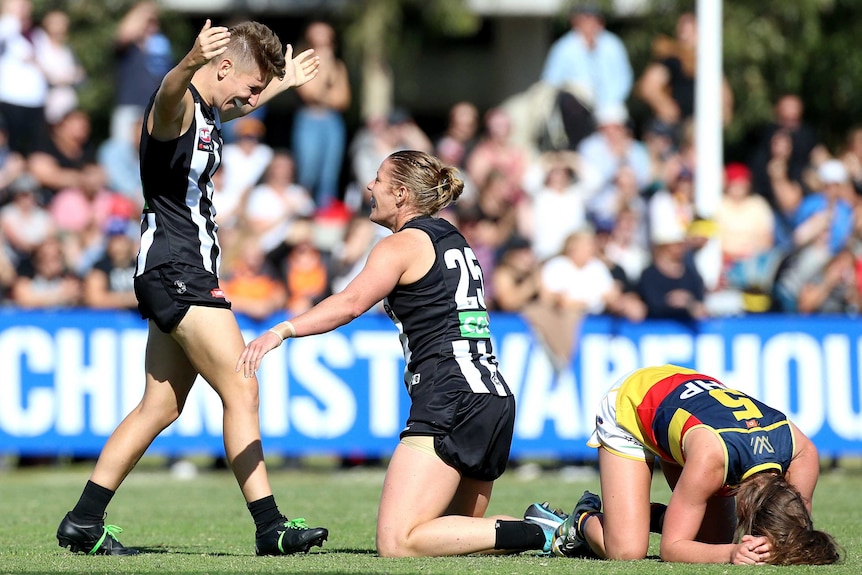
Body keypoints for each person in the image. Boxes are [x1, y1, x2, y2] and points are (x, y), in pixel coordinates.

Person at [55, 19, 328, 556]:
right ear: (221, 67)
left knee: (159, 407)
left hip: (174, 270)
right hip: (177, 269)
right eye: (250, 85)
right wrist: (186, 60)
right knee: (242, 385)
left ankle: (83, 520)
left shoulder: (208, 110)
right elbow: (169, 93)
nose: (252, 99)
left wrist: (281, 82)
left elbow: (232, 101)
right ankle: (270, 526)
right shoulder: (176, 108)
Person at [238, 150, 562, 557]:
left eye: (378, 179)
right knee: (455, 538)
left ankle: (542, 532)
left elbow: (350, 303)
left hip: (451, 396)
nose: (369, 187)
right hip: (492, 399)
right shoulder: (453, 238)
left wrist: (281, 331)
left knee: (399, 542)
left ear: (402, 193)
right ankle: (558, 528)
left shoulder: (403, 244)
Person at [549, 364, 842, 565]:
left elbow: (798, 527)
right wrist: (730, 554)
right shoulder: (711, 461)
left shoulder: (802, 454)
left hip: (686, 399)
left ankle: (634, 514)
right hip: (633, 403)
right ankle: (583, 519)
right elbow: (671, 548)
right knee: (626, 549)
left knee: (712, 540)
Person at [540, 2, 632, 149]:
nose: (589, 24)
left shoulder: (613, 44)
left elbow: (624, 79)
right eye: (584, 19)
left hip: (609, 103)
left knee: (615, 129)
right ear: (575, 22)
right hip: (577, 108)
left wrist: (607, 102)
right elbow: (550, 82)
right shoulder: (563, 47)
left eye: (592, 19)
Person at [291, 20, 351, 208]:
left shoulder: (338, 66)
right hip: (309, 119)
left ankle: (324, 214)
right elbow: (310, 93)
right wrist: (324, 68)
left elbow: (343, 100)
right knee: (307, 172)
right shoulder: (302, 63)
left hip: (332, 121)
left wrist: (329, 70)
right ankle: (303, 211)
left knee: (329, 175)